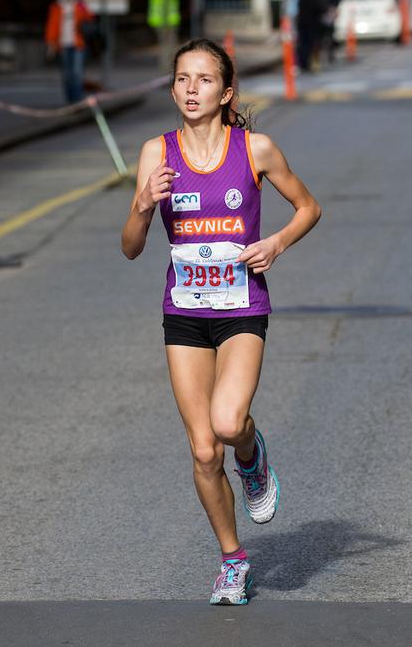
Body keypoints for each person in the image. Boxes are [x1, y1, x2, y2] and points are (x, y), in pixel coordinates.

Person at [121, 39, 321, 605]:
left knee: (230, 425)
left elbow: (309, 207)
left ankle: (253, 456)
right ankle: (233, 561)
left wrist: (276, 243)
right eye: (182, 79)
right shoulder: (155, 154)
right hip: (183, 312)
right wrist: (141, 206)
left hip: (241, 309)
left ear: (226, 92)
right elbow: (131, 248)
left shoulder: (255, 150)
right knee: (203, 449)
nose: (190, 89)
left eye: (204, 80)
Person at [45, 0, 95, 104]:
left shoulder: (79, 4)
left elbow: (89, 17)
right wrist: (51, 42)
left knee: (77, 73)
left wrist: (83, 5)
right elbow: (52, 25)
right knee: (67, 74)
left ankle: (78, 99)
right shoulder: (56, 6)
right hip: (62, 44)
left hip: (78, 43)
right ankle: (70, 99)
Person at [148, 0, 181, 72]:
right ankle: (166, 69)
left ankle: (165, 67)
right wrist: (166, 23)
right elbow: (165, 7)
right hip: (167, 22)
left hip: (157, 21)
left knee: (163, 45)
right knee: (168, 46)